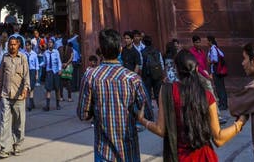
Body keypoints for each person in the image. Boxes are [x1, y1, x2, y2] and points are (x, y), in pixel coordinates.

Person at [137, 48, 246, 161]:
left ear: (176, 70)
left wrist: (143, 120)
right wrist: (240, 123)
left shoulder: (167, 91)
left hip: (179, 157)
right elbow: (218, 139)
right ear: (197, 68)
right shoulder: (207, 95)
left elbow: (161, 129)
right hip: (205, 157)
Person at [77, 27, 149, 162]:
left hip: (104, 150)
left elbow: (83, 114)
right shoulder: (133, 79)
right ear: (120, 50)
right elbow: (147, 113)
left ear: (101, 52)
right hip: (129, 150)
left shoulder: (91, 76)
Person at [0, 36, 30, 158]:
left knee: (19, 123)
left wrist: (25, 89)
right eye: (10, 44)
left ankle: (17, 145)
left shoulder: (23, 58)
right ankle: (4, 148)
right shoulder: (4, 57)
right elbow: (1, 73)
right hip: (6, 94)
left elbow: (26, 75)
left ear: (18, 45)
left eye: (14, 44)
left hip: (19, 95)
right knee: (4, 121)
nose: (12, 46)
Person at [206, 36, 227, 111]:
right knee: (221, 87)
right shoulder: (215, 48)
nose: (207, 42)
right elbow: (222, 55)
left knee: (219, 88)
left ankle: (223, 104)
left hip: (216, 71)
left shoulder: (213, 49)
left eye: (207, 41)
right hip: (218, 70)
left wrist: (209, 61)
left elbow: (215, 59)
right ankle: (223, 103)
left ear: (210, 41)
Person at [142, 36, 165, 103]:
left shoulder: (142, 52)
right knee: (158, 93)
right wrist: (161, 73)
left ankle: (150, 111)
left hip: (147, 75)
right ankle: (160, 109)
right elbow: (161, 63)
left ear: (144, 43)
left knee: (148, 94)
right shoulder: (157, 51)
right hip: (157, 74)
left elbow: (141, 65)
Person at [42, 37, 62, 111]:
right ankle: (47, 106)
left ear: (53, 44)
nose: (49, 43)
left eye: (51, 42)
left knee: (57, 88)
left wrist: (60, 69)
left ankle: (58, 104)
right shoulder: (45, 53)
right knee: (48, 89)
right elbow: (44, 63)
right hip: (49, 72)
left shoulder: (56, 52)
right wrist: (39, 65)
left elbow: (59, 61)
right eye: (49, 42)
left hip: (55, 71)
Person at [23, 40, 39, 111]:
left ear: (31, 46)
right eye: (26, 45)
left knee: (31, 88)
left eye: (28, 45)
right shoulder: (23, 54)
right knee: (26, 87)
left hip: (32, 71)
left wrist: (37, 74)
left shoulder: (34, 54)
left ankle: (30, 104)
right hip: (26, 71)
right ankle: (31, 104)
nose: (27, 47)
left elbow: (36, 65)